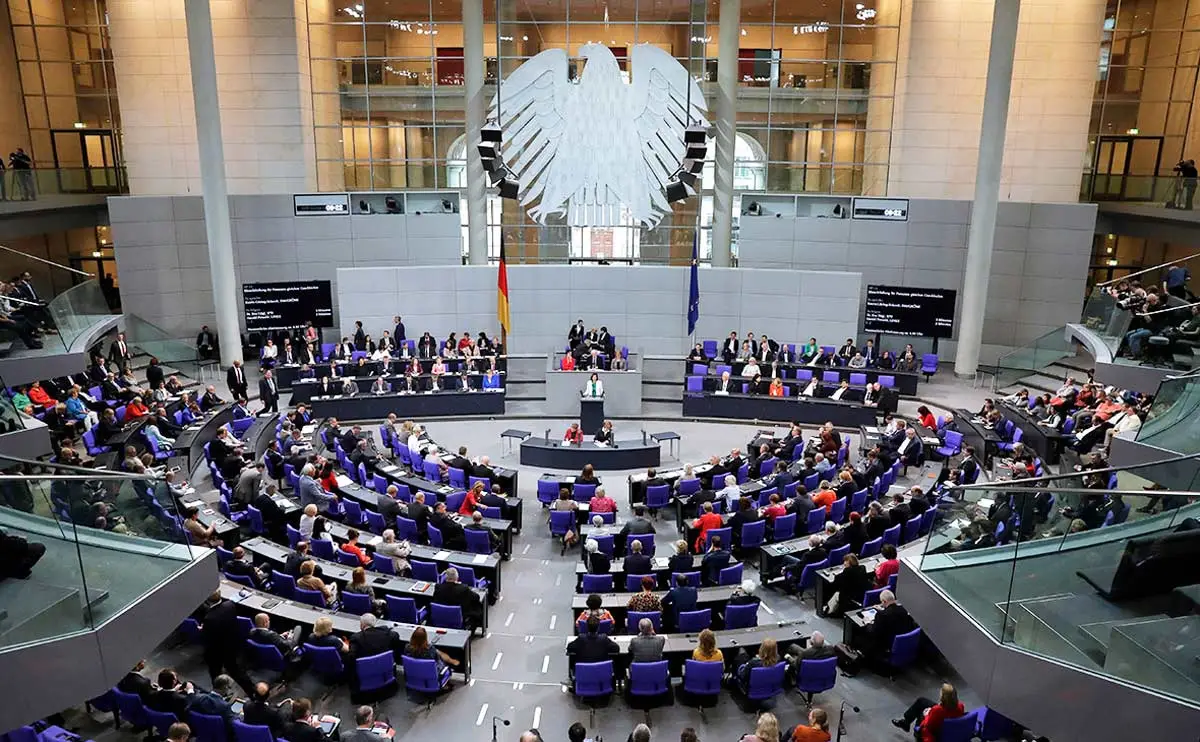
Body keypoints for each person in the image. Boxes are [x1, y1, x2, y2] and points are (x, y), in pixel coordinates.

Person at [198, 590, 254, 694]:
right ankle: (252, 692)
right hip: (231, 645)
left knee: (215, 673)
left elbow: (208, 637)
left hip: (216, 650)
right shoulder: (230, 605)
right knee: (236, 671)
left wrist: (203, 629)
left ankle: (220, 692)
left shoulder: (209, 618)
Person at [892, 683, 966, 742]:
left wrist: (926, 714)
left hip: (937, 732)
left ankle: (911, 728)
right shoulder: (960, 706)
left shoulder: (936, 710)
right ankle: (906, 722)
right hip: (946, 721)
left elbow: (927, 726)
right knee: (922, 701)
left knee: (921, 711)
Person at [432, 566, 485, 632]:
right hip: (459, 616)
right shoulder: (463, 588)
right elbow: (477, 597)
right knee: (477, 608)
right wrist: (460, 585)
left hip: (441, 616)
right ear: (457, 578)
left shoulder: (438, 587)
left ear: (445, 578)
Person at [867, 590, 916, 660]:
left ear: (884, 601)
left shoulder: (882, 615)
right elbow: (892, 613)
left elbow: (873, 631)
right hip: (901, 642)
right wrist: (882, 610)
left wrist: (868, 623)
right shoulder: (903, 609)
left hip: (887, 645)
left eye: (881, 602)